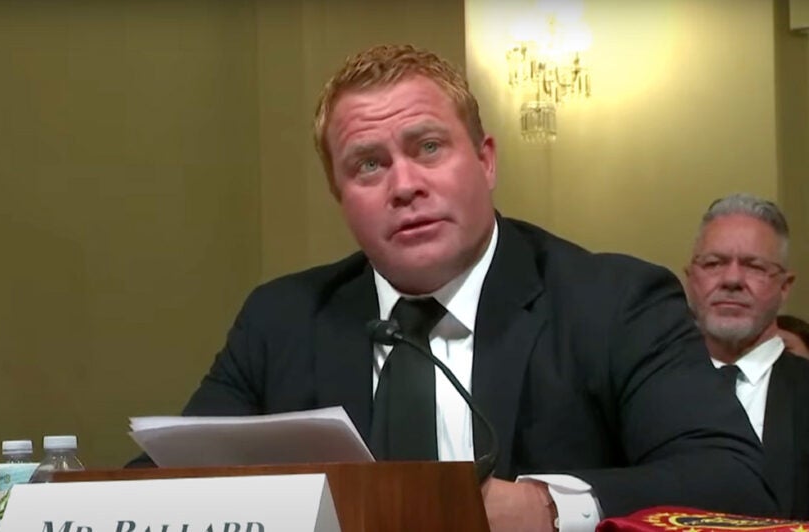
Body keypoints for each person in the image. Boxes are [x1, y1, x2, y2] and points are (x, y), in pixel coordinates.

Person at [165, 45, 775, 530]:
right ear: (339, 197)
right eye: (368, 165)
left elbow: (734, 485)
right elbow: (170, 481)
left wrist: (551, 508)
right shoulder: (283, 319)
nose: (404, 186)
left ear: (485, 161)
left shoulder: (612, 301)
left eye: (428, 147)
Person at [684, 193, 809, 519]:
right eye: (713, 263)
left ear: (785, 287)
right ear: (690, 278)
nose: (732, 280)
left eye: (754, 266)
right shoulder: (642, 392)